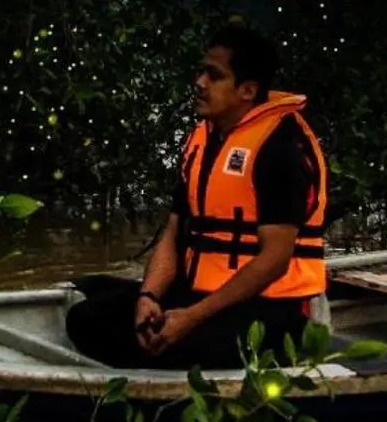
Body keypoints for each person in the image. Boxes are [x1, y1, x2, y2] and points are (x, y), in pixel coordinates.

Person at [65, 24, 330, 371]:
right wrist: (150, 296)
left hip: (270, 310)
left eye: (214, 76)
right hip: (201, 297)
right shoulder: (203, 140)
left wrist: (191, 317)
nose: (199, 82)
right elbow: (173, 233)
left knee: (165, 344)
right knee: (87, 311)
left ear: (247, 90)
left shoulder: (280, 149)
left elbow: (275, 259)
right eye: (201, 71)